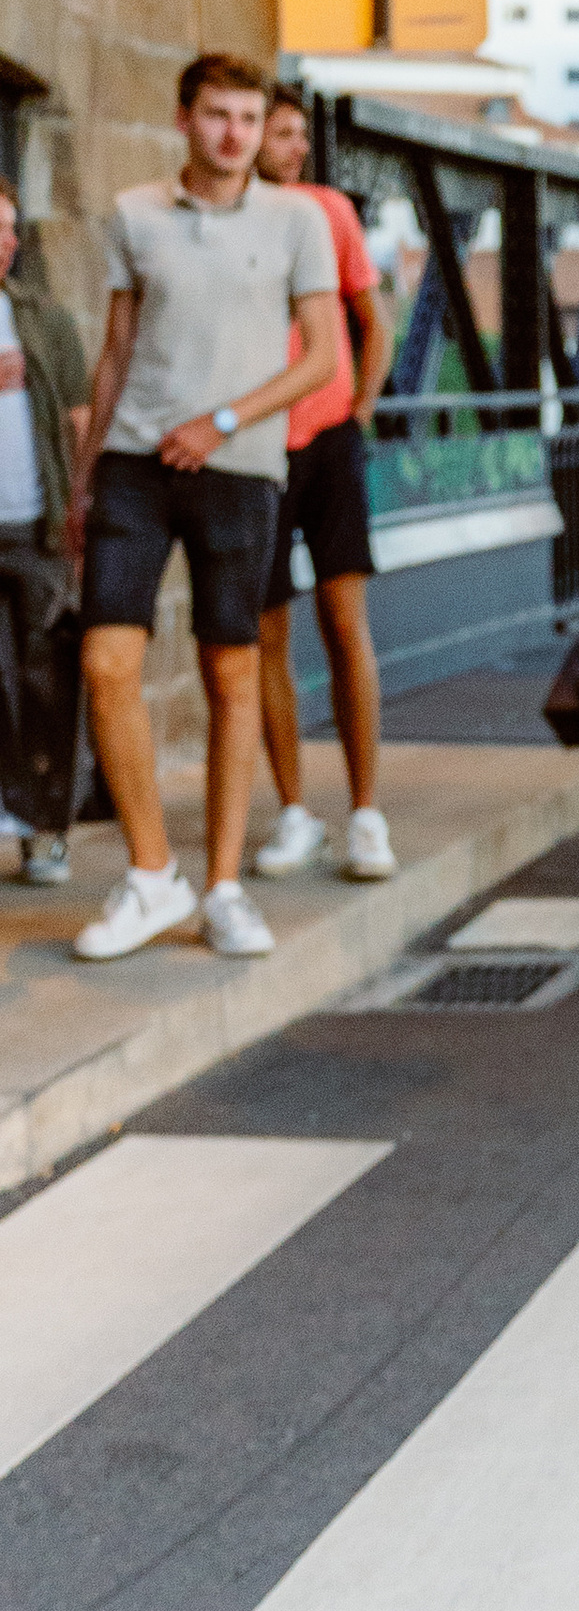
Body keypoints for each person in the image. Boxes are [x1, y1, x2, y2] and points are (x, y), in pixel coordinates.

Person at [67, 55, 340, 962]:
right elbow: (114, 350)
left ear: (264, 129)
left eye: (249, 120)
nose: (234, 135)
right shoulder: (135, 213)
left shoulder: (298, 219)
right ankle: (153, 874)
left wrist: (223, 422)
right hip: (138, 459)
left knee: (230, 673)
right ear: (184, 119)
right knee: (107, 662)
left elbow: (322, 358)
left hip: (239, 464)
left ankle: (222, 886)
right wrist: (85, 472)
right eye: (217, 116)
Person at [250, 90, 396, 884]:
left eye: (300, 134)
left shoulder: (330, 211)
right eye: (281, 134)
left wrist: (363, 408)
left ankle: (366, 813)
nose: (294, 146)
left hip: (331, 437)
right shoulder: (237, 220)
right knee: (266, 633)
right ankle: (295, 812)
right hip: (257, 442)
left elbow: (375, 318)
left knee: (347, 626)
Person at [0, 180, 92, 885]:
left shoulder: (45, 320)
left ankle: (43, 830)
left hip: (37, 528)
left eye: (10, 230)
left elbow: (83, 421)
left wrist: (84, 513)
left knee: (45, 682)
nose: (4, 243)